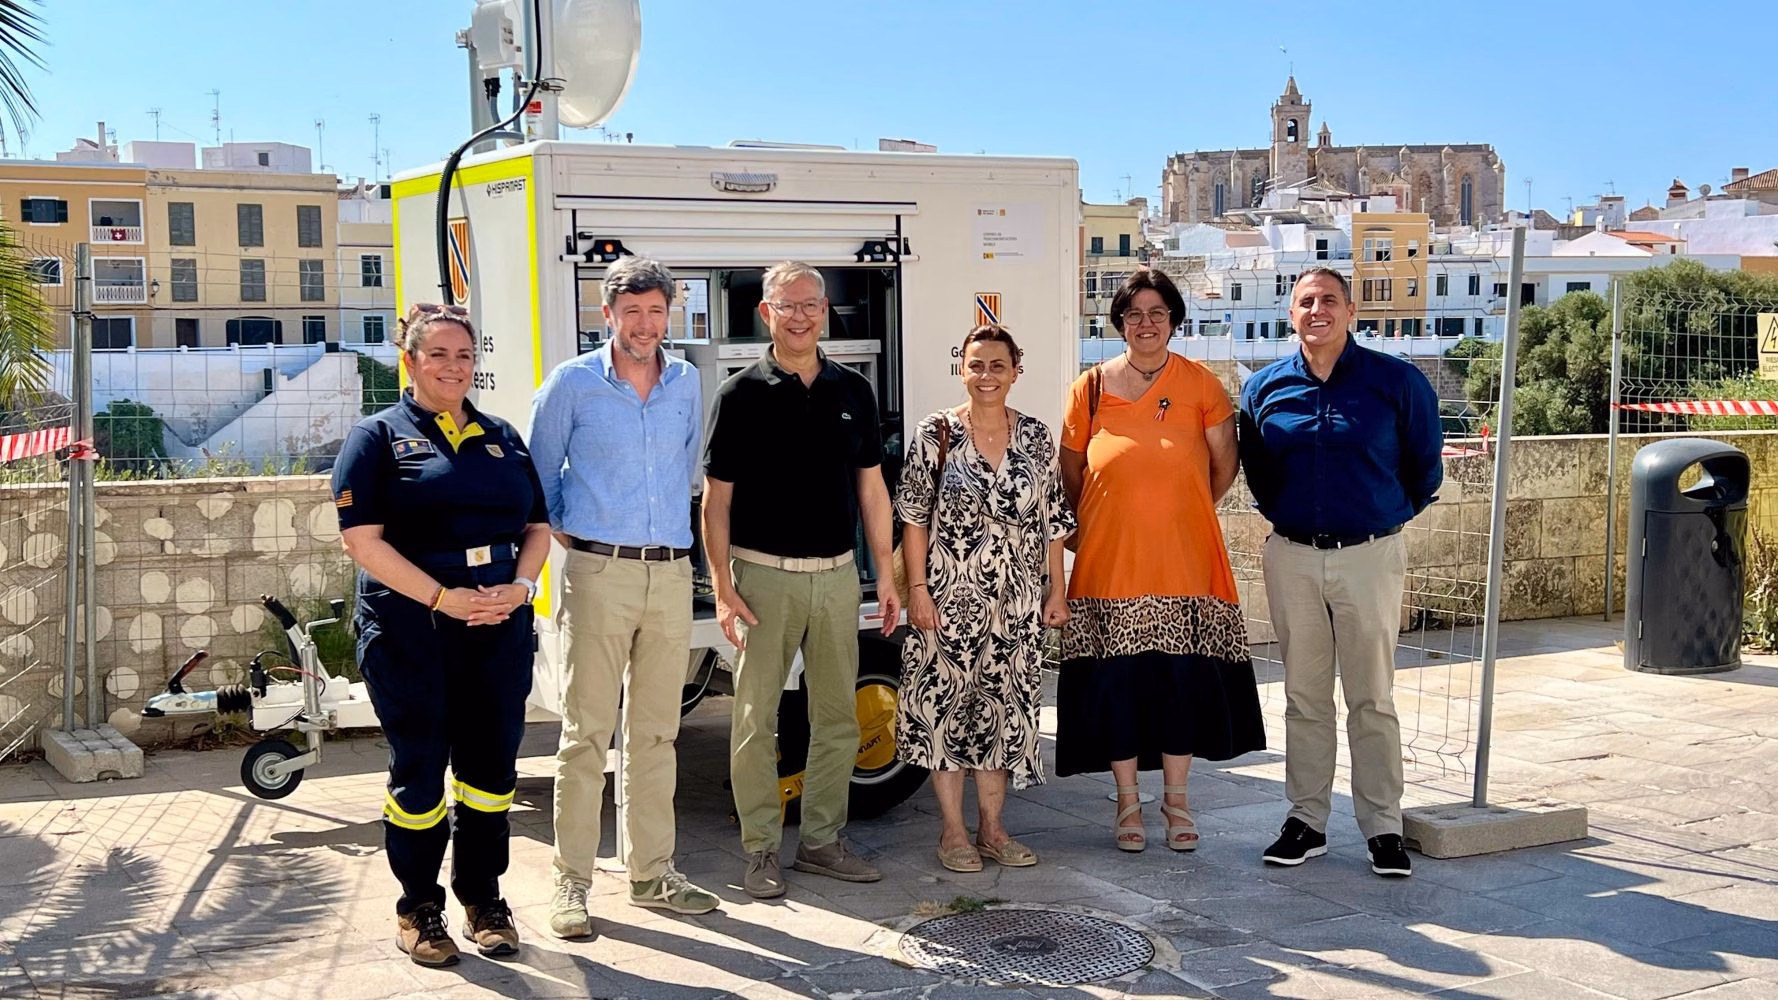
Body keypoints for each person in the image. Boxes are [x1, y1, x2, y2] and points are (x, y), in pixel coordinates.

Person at [331, 303, 551, 966]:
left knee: (490, 768)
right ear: (411, 361)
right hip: (412, 629)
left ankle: (483, 896)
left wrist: (522, 588)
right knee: (421, 766)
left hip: (497, 626)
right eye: (439, 355)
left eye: (463, 356)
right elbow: (361, 541)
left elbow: (537, 527)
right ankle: (418, 907)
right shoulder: (376, 438)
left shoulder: (502, 436)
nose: (454, 367)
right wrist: (441, 598)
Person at [528, 257, 718, 939]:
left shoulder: (687, 383)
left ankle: (651, 873)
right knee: (585, 736)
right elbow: (537, 475)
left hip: (669, 575)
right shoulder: (572, 384)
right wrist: (577, 537)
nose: (644, 324)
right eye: (631, 311)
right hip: (599, 573)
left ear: (671, 315)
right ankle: (571, 884)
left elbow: (693, 469)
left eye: (655, 311)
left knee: (657, 735)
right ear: (606, 315)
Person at [702, 260, 902, 899]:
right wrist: (723, 587)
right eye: (786, 305)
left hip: (838, 575)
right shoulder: (740, 394)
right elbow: (716, 500)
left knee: (837, 717)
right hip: (763, 577)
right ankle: (761, 850)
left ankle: (821, 841)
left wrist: (887, 573)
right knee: (758, 719)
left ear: (824, 312)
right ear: (766, 312)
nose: (799, 315)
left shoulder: (852, 391)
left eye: (810, 304)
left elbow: (872, 489)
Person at [1239, 266, 1443, 878]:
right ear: (1291, 314)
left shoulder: (1396, 382)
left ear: (1351, 312)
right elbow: (1258, 471)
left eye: (1329, 300)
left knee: (1371, 696)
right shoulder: (1265, 389)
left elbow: (1425, 469)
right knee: (1303, 696)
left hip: (1369, 555)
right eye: (1306, 301)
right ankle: (1306, 820)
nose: (1317, 310)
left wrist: (1381, 517)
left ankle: (1383, 826)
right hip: (1293, 555)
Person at [1057, 268, 1266, 853]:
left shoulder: (1202, 384)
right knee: (1118, 682)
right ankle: (1127, 802)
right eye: (1133, 314)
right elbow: (1070, 472)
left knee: (1179, 681)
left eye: (1156, 313)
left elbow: (1224, 467)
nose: (1145, 324)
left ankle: (1176, 800)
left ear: (1174, 320)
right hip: (1109, 559)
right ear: (1118, 322)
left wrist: (1182, 508)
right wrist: (1101, 520)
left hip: (1184, 557)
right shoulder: (1090, 388)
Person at [896, 325, 1074, 873]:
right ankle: (953, 833)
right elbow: (912, 517)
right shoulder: (936, 434)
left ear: (1016, 370)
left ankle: (993, 829)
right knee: (944, 711)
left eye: (998, 365)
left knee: (1004, 711)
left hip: (1017, 601)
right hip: (948, 598)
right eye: (977, 365)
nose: (987, 376)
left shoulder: (1038, 438)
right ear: (962, 370)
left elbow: (1053, 522)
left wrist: (1057, 590)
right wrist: (919, 592)